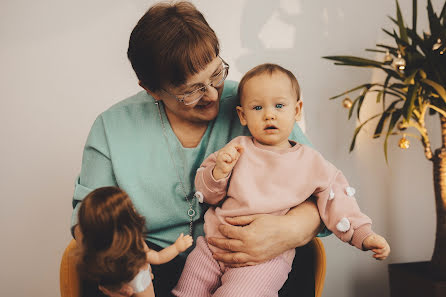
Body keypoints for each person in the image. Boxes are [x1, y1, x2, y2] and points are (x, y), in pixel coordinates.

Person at [71, 2, 328, 296]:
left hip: (251, 260)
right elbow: (84, 220)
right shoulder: (111, 127)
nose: (212, 95)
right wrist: (117, 256)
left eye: (216, 75)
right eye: (190, 90)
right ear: (152, 89)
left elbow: (323, 188)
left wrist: (289, 230)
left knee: (303, 257)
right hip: (152, 268)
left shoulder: (256, 102)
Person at [172, 63, 390, 297]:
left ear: (297, 111)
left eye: (279, 105)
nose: (269, 114)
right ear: (242, 115)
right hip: (212, 247)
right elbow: (207, 193)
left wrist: (363, 235)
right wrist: (218, 172)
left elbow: (338, 199)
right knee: (186, 292)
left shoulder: (311, 162)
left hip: (266, 257)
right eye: (257, 107)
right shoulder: (236, 149)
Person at [77, 187, 193, 297]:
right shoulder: (135, 249)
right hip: (141, 286)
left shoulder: (98, 259)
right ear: (125, 228)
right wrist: (177, 247)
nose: (136, 211)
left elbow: (104, 286)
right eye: (132, 209)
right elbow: (158, 257)